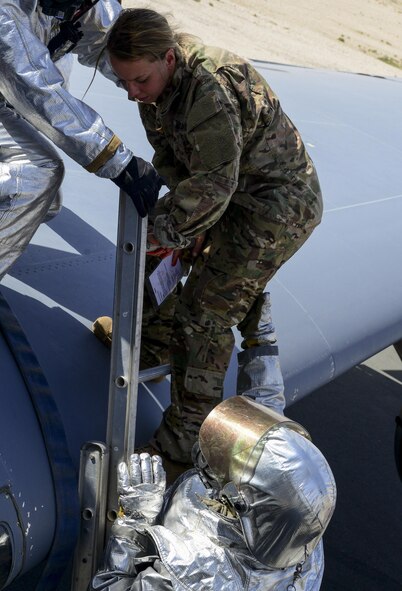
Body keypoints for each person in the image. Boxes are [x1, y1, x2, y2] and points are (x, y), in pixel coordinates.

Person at [93, 7, 323, 471]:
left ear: (170, 59)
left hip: (275, 208)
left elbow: (215, 184)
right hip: (232, 191)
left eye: (140, 80)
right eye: (124, 83)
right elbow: (175, 161)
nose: (134, 93)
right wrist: (179, 231)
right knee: (158, 255)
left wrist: (169, 231)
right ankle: (153, 343)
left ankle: (182, 445)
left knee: (204, 317)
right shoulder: (156, 88)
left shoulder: (209, 89)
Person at [91, 335, 337, 591]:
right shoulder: (297, 536)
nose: (210, 468)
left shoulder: (190, 577)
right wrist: (262, 345)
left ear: (243, 506)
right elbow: (272, 446)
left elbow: (109, 587)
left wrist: (135, 522)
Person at [0, 0, 161, 281]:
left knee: (46, 205)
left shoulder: (84, 5)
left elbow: (109, 41)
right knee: (32, 178)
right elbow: (32, 82)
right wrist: (120, 162)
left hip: (7, 102)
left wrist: (168, 85)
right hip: (12, 91)